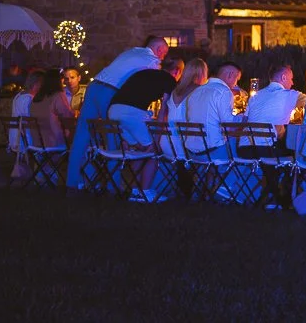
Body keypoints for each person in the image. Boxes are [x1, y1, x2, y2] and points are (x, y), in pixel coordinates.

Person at [67, 35, 169, 188]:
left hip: (94, 86)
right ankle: (112, 186)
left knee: (81, 135)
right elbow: (155, 82)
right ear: (160, 49)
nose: (163, 57)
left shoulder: (132, 51)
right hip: (110, 92)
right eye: (164, 53)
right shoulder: (151, 60)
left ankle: (72, 183)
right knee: (113, 137)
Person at [106, 57, 182, 201]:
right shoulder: (169, 80)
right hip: (132, 113)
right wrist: (157, 139)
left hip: (113, 110)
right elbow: (164, 108)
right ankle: (146, 192)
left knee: (139, 151)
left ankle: (135, 191)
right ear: (177, 71)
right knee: (152, 152)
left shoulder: (145, 73)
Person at [168, 59, 233, 161]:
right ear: (203, 73)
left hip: (168, 140)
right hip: (184, 143)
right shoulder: (199, 90)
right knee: (227, 143)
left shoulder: (175, 91)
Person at [244, 63, 301, 137]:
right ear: (283, 78)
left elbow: (244, 120)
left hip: (245, 145)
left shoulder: (255, 96)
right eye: (291, 79)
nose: (292, 83)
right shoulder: (290, 95)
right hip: (269, 146)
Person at [28, 70, 76, 148]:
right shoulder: (58, 95)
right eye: (62, 80)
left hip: (38, 143)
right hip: (54, 141)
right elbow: (68, 116)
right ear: (58, 81)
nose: (63, 83)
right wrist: (75, 113)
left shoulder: (37, 97)